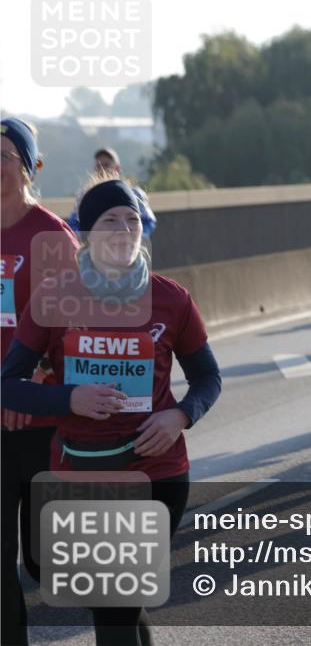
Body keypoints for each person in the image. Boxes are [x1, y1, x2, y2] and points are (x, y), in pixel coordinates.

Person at [1, 174, 222, 646]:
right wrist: (69, 398)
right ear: (86, 233)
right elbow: (8, 385)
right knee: (115, 604)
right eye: (110, 221)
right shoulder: (55, 296)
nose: (123, 231)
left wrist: (180, 415)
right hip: (81, 468)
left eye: (132, 220)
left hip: (156, 468)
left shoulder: (171, 298)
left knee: (115, 605)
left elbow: (208, 378)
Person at [0, 118, 80, 646]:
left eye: (6, 156)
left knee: (40, 558)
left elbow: (77, 332)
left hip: (38, 421)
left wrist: (31, 387)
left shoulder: (50, 236)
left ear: (29, 166)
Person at [68, 147, 157, 237]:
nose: (102, 169)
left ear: (117, 168)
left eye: (106, 165)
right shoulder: (84, 196)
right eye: (98, 166)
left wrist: (134, 240)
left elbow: (148, 221)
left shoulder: (135, 193)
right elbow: (73, 223)